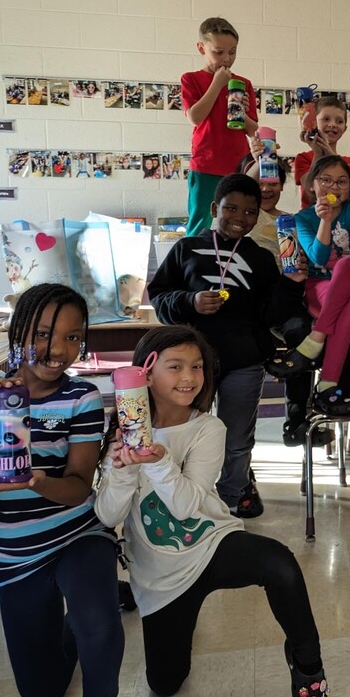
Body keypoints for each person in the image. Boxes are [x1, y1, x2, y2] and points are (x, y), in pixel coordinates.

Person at [94, 327, 327, 697]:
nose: (189, 377)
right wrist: (122, 469)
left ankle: (307, 662)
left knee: (280, 564)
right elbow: (107, 515)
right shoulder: (122, 433)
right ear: (145, 375)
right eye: (175, 367)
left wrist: (159, 461)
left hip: (211, 545)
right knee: (165, 686)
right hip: (160, 577)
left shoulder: (207, 428)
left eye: (197, 367)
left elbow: (187, 508)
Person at [0, 283, 123, 697]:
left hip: (77, 534)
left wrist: (39, 482)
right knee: (41, 694)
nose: (57, 350)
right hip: (18, 555)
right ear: (18, 331)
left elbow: (78, 488)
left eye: (73, 338)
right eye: (44, 333)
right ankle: (81, 614)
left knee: (99, 625)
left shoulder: (83, 396)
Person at [148, 173, 281, 518]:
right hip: (192, 366)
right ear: (214, 208)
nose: (239, 218)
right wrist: (190, 301)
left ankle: (231, 500)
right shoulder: (186, 248)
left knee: (237, 440)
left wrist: (292, 285)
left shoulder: (262, 259)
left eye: (250, 212)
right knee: (185, 433)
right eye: (231, 208)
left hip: (243, 362)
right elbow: (160, 297)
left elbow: (273, 311)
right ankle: (184, 498)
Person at [280, 155, 350, 415]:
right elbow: (319, 258)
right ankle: (327, 385)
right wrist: (325, 219)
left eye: (341, 182)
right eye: (326, 180)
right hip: (321, 287)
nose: (334, 187)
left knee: (345, 266)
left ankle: (317, 336)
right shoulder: (303, 218)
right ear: (312, 185)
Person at [236, 152, 314, 444]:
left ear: (283, 187)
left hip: (283, 299)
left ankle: (297, 420)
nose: (267, 189)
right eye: (261, 182)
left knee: (303, 337)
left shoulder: (289, 221)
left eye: (275, 183)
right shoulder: (240, 219)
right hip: (246, 304)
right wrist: (262, 154)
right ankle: (240, 435)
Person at [181, 17, 261, 236]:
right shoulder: (191, 79)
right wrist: (218, 83)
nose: (227, 59)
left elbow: (253, 130)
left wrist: (241, 113)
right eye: (218, 52)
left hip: (239, 165)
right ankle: (194, 267)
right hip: (206, 164)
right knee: (201, 223)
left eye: (232, 52)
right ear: (201, 48)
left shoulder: (243, 83)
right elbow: (195, 117)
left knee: (239, 222)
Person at [291, 96, 350, 208]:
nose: (332, 124)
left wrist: (331, 155)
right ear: (314, 122)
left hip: (343, 221)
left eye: (339, 121)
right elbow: (308, 186)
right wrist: (318, 153)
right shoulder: (303, 158)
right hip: (312, 220)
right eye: (326, 119)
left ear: (344, 128)